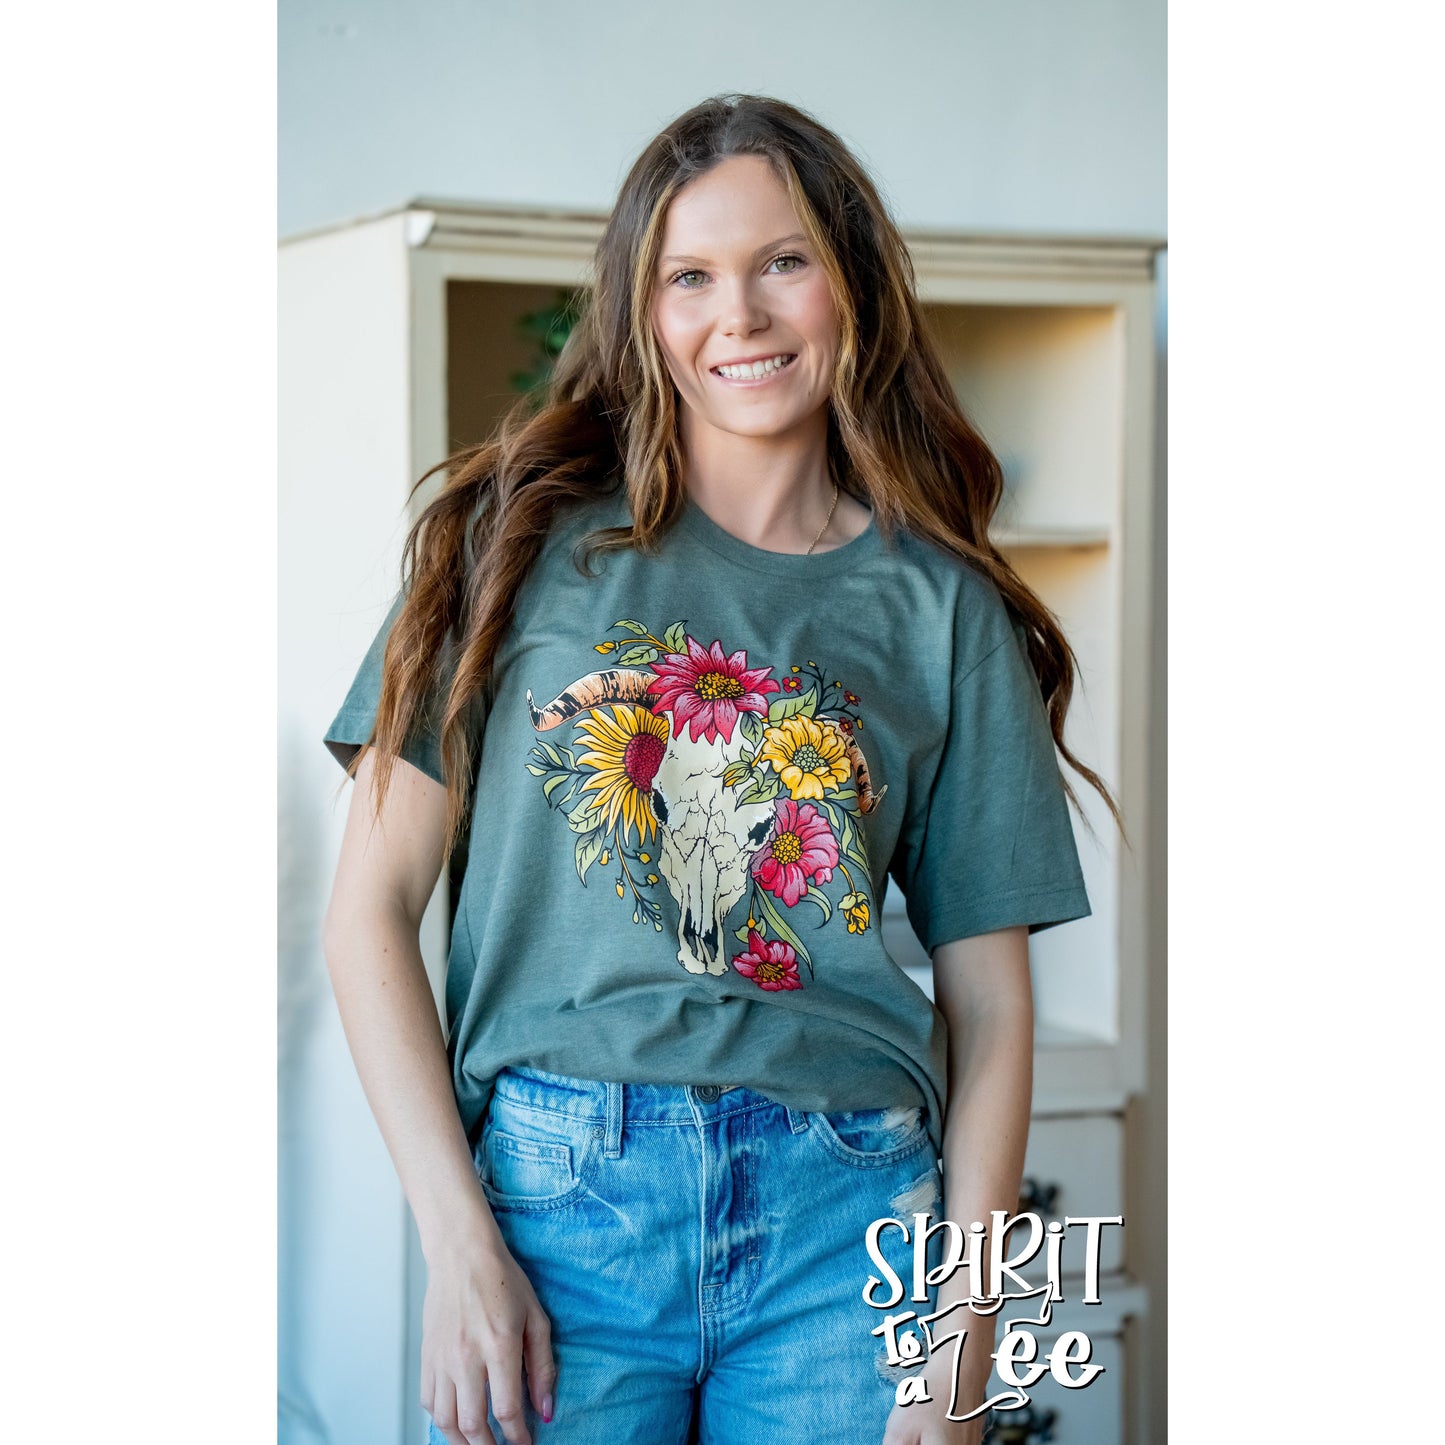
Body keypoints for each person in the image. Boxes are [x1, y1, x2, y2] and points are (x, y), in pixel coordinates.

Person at [321, 93, 1118, 1445]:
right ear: (642, 309)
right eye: (689, 275)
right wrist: (458, 1243)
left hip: (845, 1211)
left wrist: (960, 1339)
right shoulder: (509, 548)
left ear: (851, 286)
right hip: (563, 1204)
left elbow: (988, 1011)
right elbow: (367, 915)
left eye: (782, 261)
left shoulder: (940, 611)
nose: (736, 314)